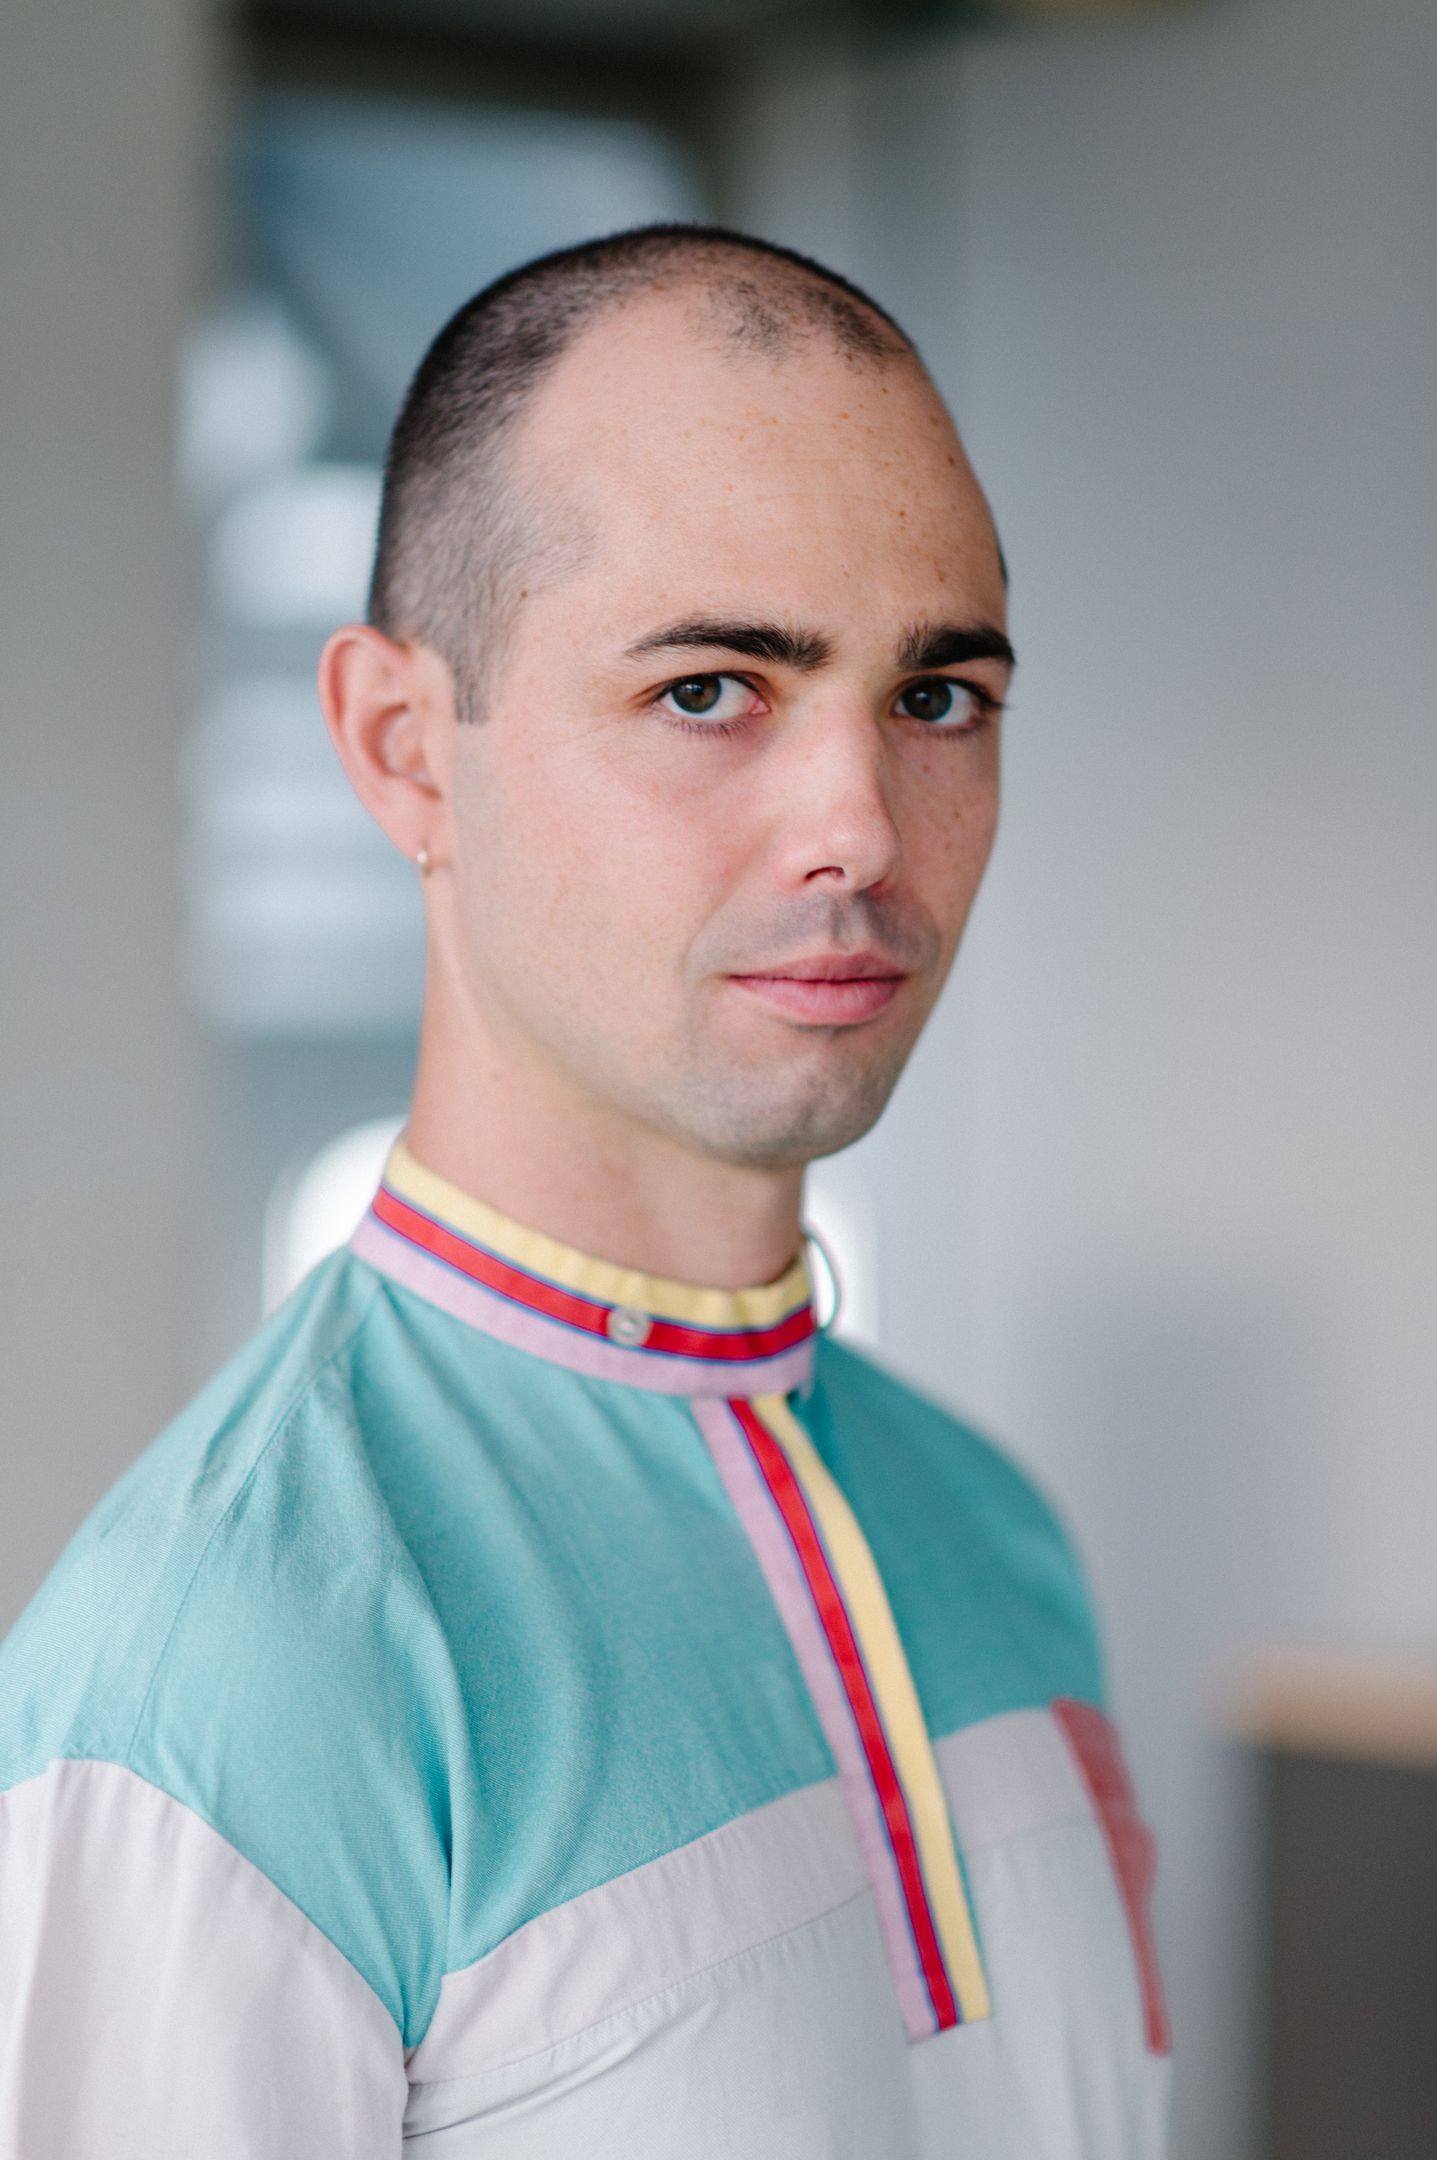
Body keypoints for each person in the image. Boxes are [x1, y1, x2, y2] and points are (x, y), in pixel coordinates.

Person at [0, 226, 1171, 2157]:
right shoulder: (226, 1675)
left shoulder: (996, 1532)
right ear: (403, 750)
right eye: (711, 690)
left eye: (936, 698)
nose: (860, 829)